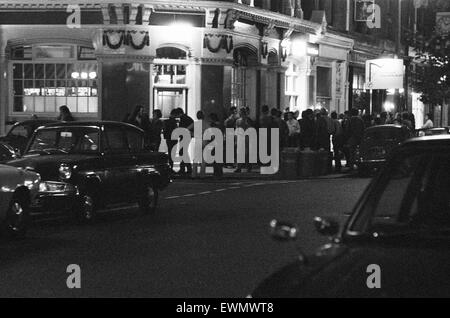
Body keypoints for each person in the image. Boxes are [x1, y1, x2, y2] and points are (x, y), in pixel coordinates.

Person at [189, 111, 211, 178]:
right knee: (203, 159)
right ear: (203, 116)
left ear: (197, 116)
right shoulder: (206, 124)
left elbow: (187, 129)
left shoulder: (195, 123)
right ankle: (202, 175)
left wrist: (193, 134)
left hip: (198, 141)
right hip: (205, 141)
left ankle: (194, 174)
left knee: (196, 158)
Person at [234, 107, 253, 173]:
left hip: (245, 138)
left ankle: (246, 167)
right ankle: (240, 167)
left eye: (241, 112)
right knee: (241, 153)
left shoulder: (247, 120)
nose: (240, 113)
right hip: (242, 138)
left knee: (246, 153)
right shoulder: (239, 121)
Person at [177, 108, 194, 176]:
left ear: (179, 113)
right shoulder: (187, 118)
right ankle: (185, 169)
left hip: (184, 137)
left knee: (182, 152)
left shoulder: (183, 119)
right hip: (187, 136)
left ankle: (186, 169)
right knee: (183, 152)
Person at [209, 113, 224, 177]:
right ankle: (219, 172)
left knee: (215, 159)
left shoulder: (213, 125)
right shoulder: (220, 124)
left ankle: (216, 173)